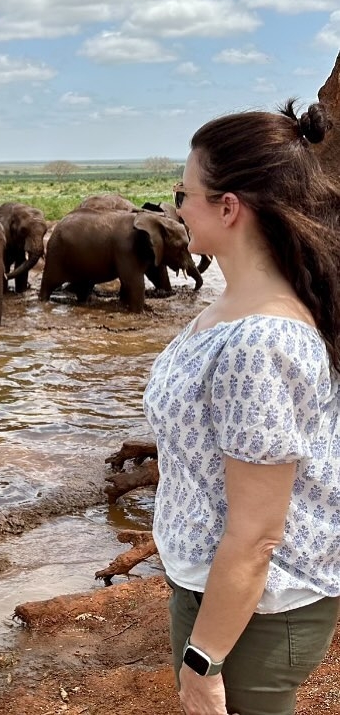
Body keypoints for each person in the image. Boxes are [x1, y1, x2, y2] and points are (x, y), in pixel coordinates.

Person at [143, 99, 340, 715]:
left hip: (256, 608)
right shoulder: (232, 309)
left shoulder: (263, 342)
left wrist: (204, 661)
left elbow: (257, 535)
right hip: (216, 590)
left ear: (228, 208)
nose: (177, 206)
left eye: (184, 192)